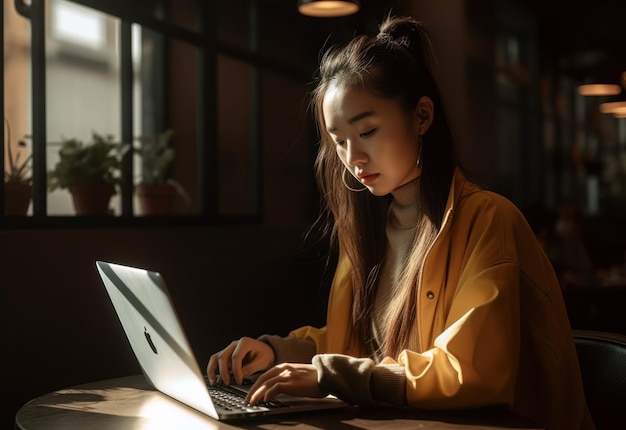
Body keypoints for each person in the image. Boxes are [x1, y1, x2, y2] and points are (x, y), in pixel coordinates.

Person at [207, 16, 594, 430]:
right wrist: (277, 352)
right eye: (339, 140)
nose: (353, 157)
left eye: (368, 130)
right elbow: (354, 346)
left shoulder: (488, 219)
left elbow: (466, 372)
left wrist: (330, 375)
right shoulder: (372, 230)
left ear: (422, 116)